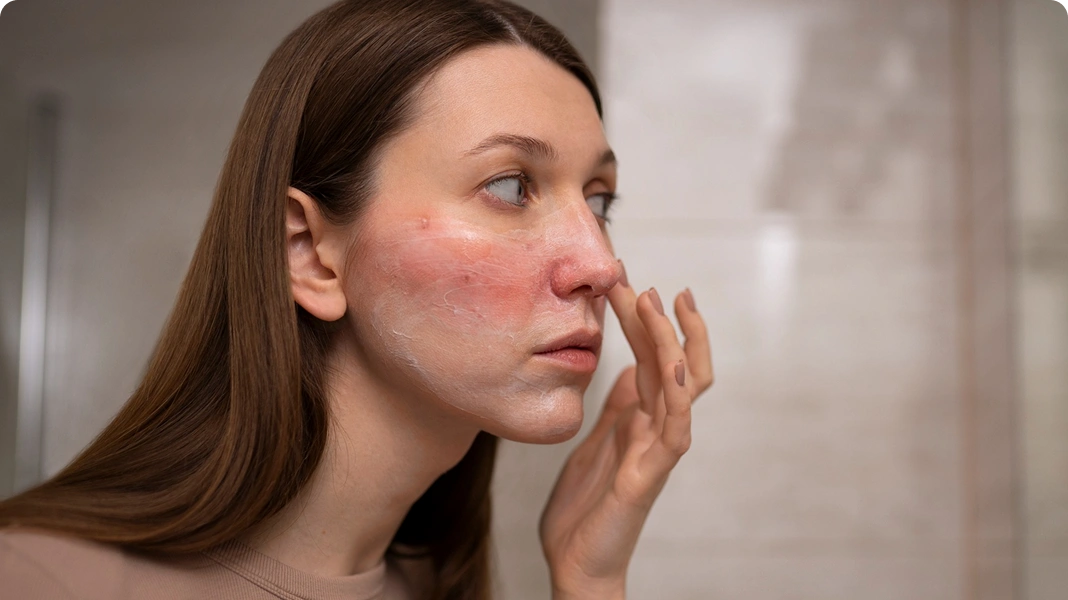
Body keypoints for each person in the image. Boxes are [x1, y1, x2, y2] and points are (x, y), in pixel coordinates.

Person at [0, 0, 714, 598]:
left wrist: (590, 581)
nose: (600, 263)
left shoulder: (436, 582)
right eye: (509, 187)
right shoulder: (35, 580)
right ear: (308, 255)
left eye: (599, 201)